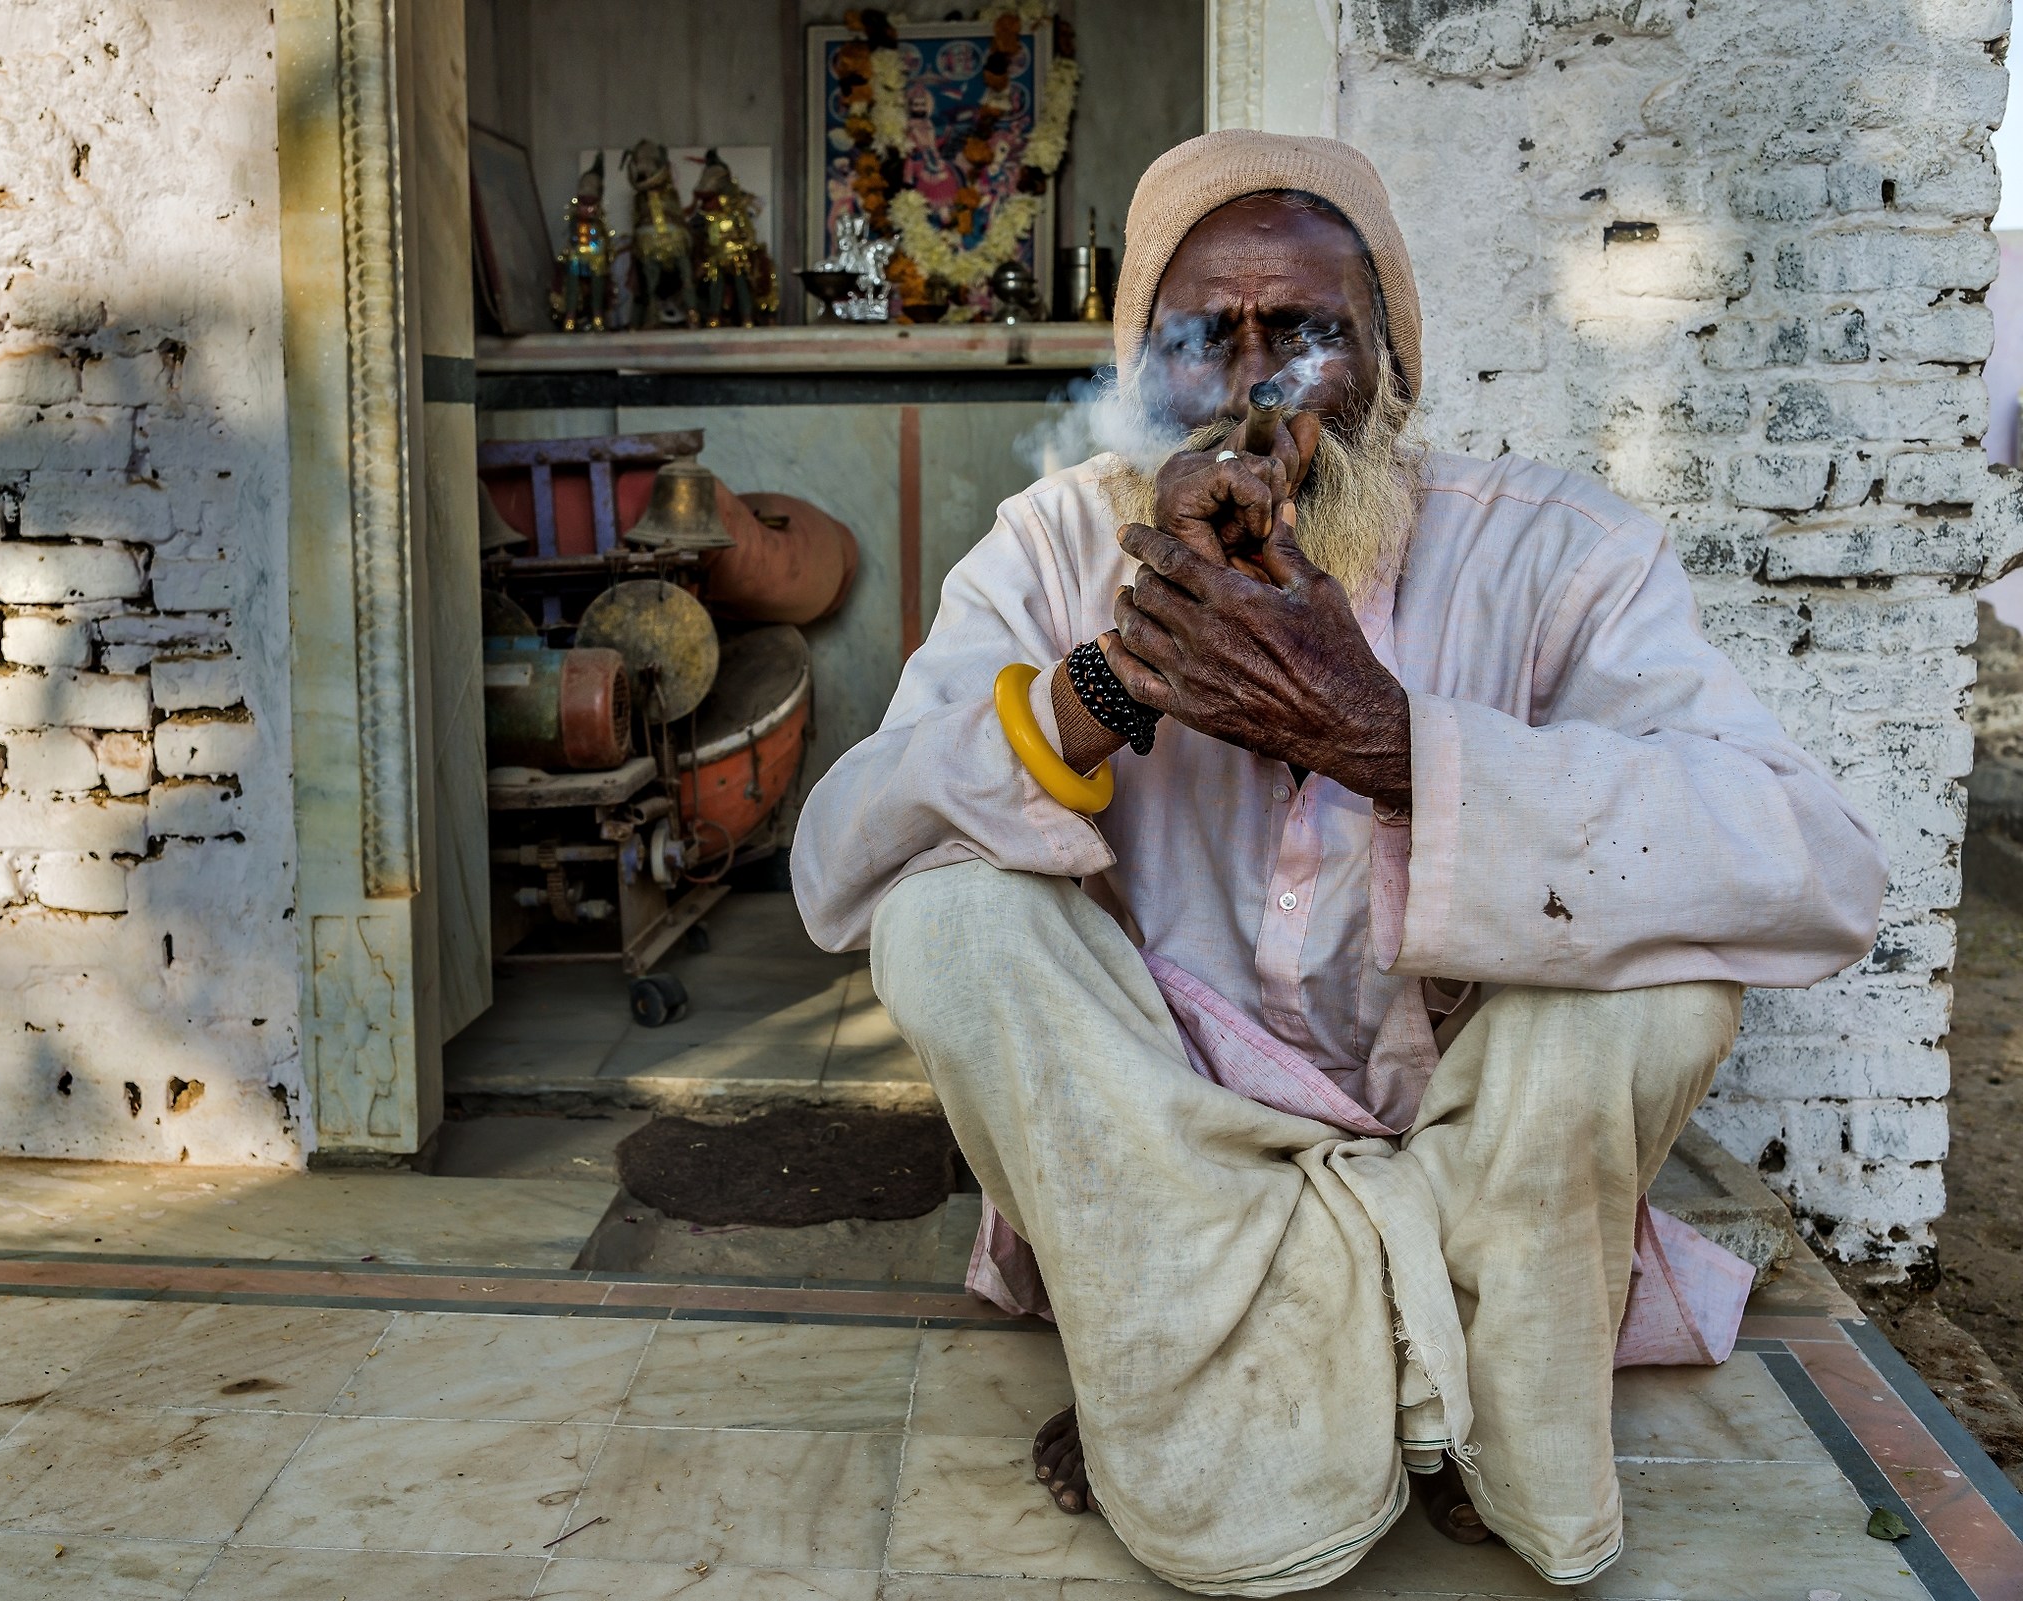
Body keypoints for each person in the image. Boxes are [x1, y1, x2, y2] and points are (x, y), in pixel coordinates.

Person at [790, 130, 1885, 1595]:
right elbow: (840, 860)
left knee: (1666, 988)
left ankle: (1220, 1354)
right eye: (1203, 336)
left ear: (1390, 362)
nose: (1252, 385)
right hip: (1179, 1146)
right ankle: (1258, 1338)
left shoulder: (1559, 556)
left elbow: (1816, 868)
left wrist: (1392, 742)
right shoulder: (1054, 545)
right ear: (1144, 375)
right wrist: (1115, 680)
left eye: (1303, 330)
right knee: (947, 926)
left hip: (1464, 1141)